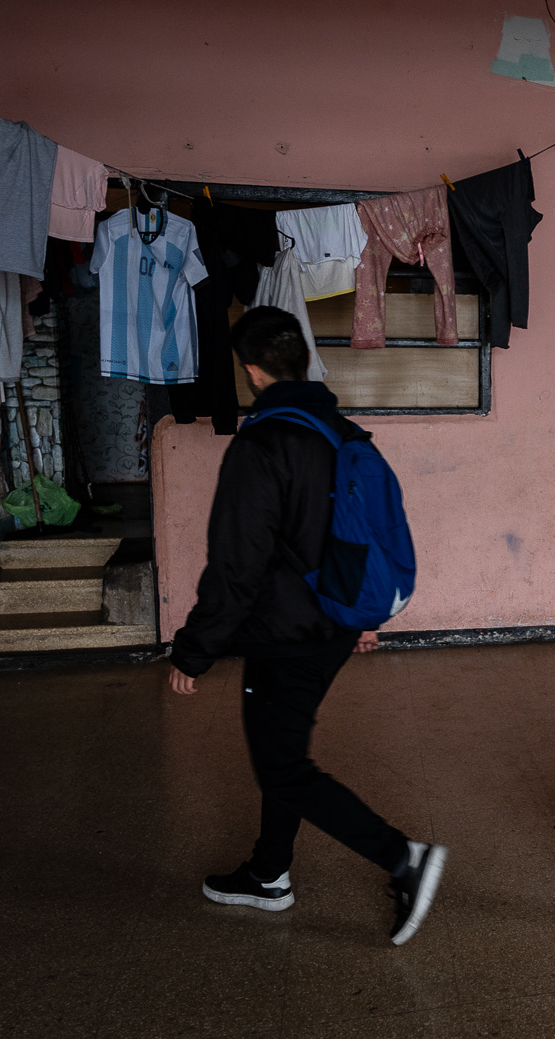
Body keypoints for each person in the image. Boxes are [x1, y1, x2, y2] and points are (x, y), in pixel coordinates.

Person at [167, 306, 446, 946]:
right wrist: (366, 616)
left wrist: (192, 650)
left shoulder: (260, 445)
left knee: (283, 765)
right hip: (335, 629)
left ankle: (405, 859)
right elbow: (367, 536)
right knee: (281, 752)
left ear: (253, 373)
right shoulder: (342, 431)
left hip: (284, 636)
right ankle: (269, 875)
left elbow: (235, 566)